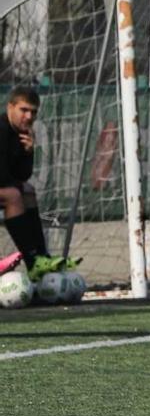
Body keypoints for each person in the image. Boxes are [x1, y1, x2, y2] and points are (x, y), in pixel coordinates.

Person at [0, 86, 71, 280]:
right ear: (10, 107)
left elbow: (22, 176)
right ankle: (32, 261)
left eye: (33, 112)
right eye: (24, 110)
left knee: (28, 191)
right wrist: (16, 185)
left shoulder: (21, 134)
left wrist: (28, 152)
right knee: (13, 195)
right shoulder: (2, 129)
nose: (29, 116)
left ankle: (41, 256)